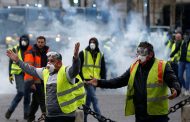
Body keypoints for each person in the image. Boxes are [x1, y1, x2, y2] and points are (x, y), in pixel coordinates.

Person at [87, 41, 181, 122]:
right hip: (140, 114)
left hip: (158, 115)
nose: (139, 55)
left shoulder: (162, 65)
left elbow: (173, 80)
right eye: (138, 52)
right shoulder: (134, 67)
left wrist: (175, 89)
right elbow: (119, 81)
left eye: (142, 52)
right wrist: (99, 82)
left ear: (151, 54)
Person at [6, 42, 86, 122]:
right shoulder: (45, 72)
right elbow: (30, 69)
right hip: (50, 116)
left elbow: (75, 69)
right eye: (48, 61)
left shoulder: (66, 72)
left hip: (66, 116)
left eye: (52, 61)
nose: (49, 63)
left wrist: (76, 58)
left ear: (59, 63)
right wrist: (18, 61)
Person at [79, 37, 106, 122]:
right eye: (91, 42)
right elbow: (78, 67)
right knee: (95, 99)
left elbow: (103, 68)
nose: (92, 44)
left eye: (94, 42)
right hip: (86, 81)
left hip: (95, 81)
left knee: (88, 101)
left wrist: (103, 81)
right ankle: (100, 119)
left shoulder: (100, 54)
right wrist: (82, 79)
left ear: (96, 44)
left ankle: (84, 119)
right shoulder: (83, 53)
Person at [5, 34, 32, 120]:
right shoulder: (15, 48)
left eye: (26, 40)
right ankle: (10, 110)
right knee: (21, 92)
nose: (24, 42)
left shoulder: (31, 50)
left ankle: (26, 114)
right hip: (18, 73)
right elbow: (10, 62)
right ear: (20, 41)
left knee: (27, 94)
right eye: (22, 40)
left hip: (28, 73)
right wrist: (10, 75)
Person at [25, 36, 49, 122]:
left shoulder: (47, 52)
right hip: (35, 80)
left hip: (44, 80)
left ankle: (30, 118)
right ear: (36, 42)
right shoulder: (31, 52)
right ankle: (48, 117)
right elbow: (28, 68)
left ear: (45, 42)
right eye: (39, 42)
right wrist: (31, 82)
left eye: (42, 42)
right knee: (43, 99)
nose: (40, 44)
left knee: (35, 102)